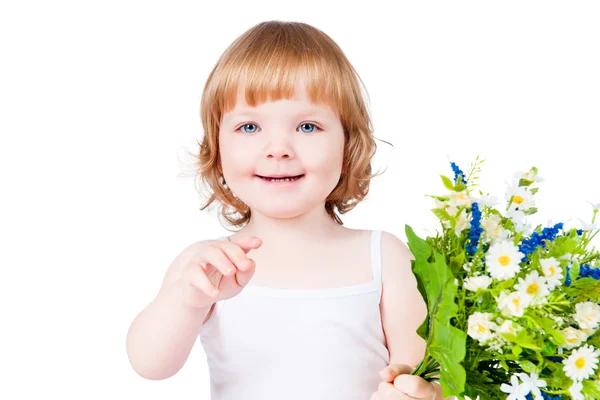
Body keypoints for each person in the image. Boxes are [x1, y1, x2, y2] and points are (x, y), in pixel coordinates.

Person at [126, 20, 449, 400]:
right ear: (217, 146)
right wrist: (187, 299)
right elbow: (150, 365)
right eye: (249, 127)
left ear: (348, 144)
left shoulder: (385, 257)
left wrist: (418, 391)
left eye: (308, 127)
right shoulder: (207, 266)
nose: (278, 148)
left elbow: (427, 374)